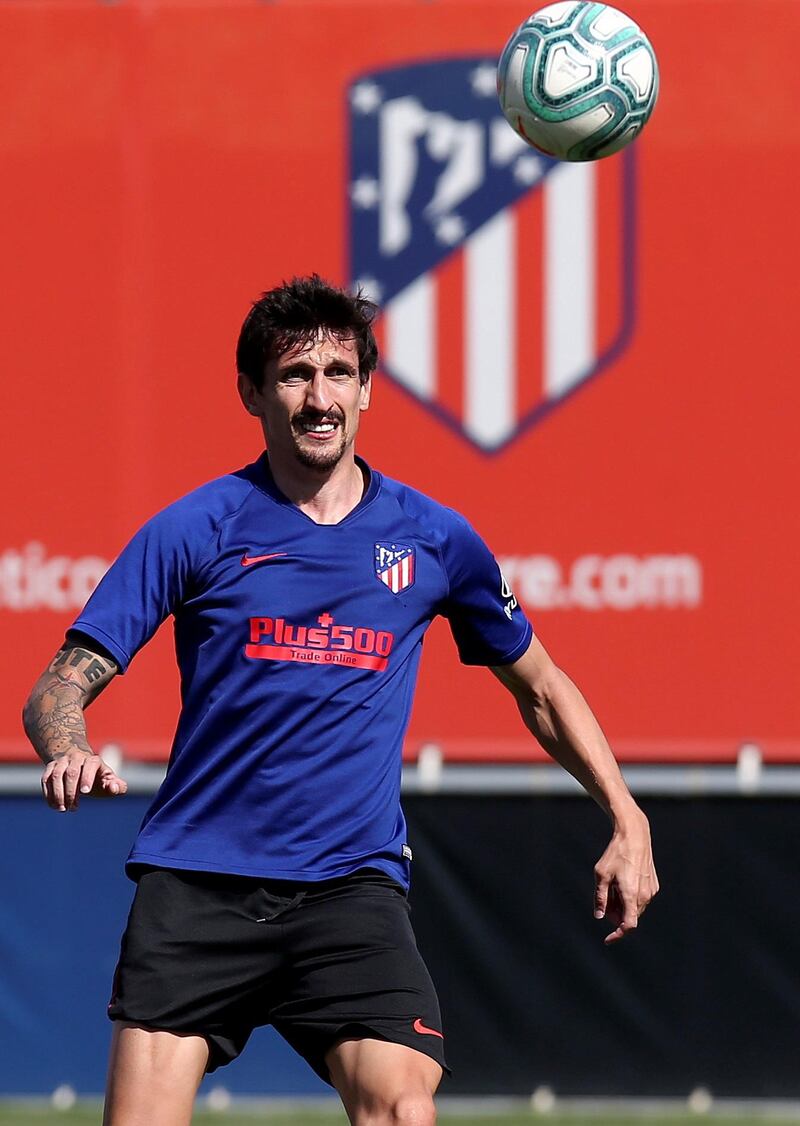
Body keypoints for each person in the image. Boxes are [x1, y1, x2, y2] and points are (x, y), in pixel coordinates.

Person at [23, 275, 658, 1126]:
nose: (319, 397)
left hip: (348, 891)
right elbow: (62, 680)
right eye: (293, 376)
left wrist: (627, 815)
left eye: (338, 373)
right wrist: (67, 744)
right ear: (251, 393)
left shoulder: (434, 538)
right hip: (199, 885)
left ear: (366, 390)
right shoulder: (195, 528)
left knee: (402, 1111)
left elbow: (541, 686)